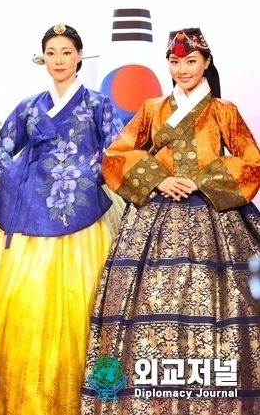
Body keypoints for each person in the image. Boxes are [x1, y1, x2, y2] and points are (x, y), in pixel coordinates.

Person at [0, 23, 125, 415]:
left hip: (82, 216)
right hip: (29, 216)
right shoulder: (28, 106)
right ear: (43, 58)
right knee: (21, 299)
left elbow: (119, 151)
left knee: (79, 300)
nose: (58, 60)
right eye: (52, 52)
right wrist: (18, 180)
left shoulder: (98, 104)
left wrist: (85, 174)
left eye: (66, 52)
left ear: (80, 56)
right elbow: (3, 150)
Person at [81, 27, 260, 414]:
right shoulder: (151, 108)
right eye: (176, 62)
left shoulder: (222, 110)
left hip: (214, 213)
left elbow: (250, 160)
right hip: (154, 211)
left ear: (206, 63)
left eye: (191, 61)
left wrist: (199, 178)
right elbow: (116, 154)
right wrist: (159, 178)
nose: (182, 69)